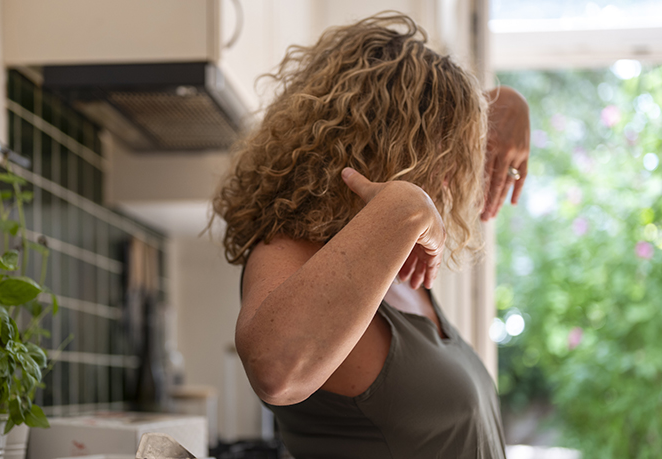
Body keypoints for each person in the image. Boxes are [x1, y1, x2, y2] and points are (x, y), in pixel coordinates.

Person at [212, 12, 529, 459]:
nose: (452, 174)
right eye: (441, 148)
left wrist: (511, 101)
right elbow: (274, 371)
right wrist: (402, 208)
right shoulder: (290, 251)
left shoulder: (393, 259)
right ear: (384, 144)